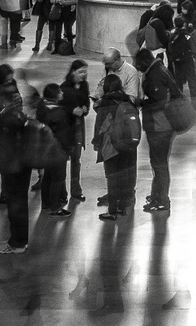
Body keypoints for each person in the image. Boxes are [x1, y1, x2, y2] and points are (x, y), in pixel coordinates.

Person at [0, 64, 31, 253]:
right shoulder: (22, 124)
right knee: (21, 201)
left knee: (15, 202)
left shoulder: (5, 128)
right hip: (23, 161)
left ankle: (16, 243)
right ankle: (21, 240)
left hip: (12, 164)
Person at [137, 48, 181, 213]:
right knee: (158, 163)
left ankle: (162, 199)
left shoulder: (155, 75)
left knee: (159, 164)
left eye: (139, 63)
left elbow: (159, 102)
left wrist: (140, 102)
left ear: (146, 62)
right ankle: (157, 194)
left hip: (160, 127)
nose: (137, 66)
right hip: (161, 125)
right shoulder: (158, 69)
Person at [92, 73, 139, 219]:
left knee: (112, 177)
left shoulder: (106, 103)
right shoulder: (128, 101)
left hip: (112, 146)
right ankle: (122, 205)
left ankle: (112, 211)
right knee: (124, 175)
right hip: (128, 145)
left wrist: (97, 144)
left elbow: (100, 127)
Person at [36, 83, 75, 216]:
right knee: (58, 178)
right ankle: (55, 207)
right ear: (55, 95)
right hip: (58, 149)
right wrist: (69, 147)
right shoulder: (59, 113)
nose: (62, 94)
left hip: (44, 147)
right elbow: (64, 133)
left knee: (47, 176)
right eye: (60, 92)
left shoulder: (41, 108)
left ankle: (45, 203)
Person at [61, 60, 92, 202]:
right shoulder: (64, 87)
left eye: (85, 72)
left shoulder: (84, 85)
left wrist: (85, 108)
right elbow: (59, 107)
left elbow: (87, 101)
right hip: (67, 127)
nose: (83, 75)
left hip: (79, 125)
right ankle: (61, 192)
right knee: (62, 160)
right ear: (73, 72)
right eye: (80, 72)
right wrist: (71, 110)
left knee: (76, 159)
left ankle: (76, 189)